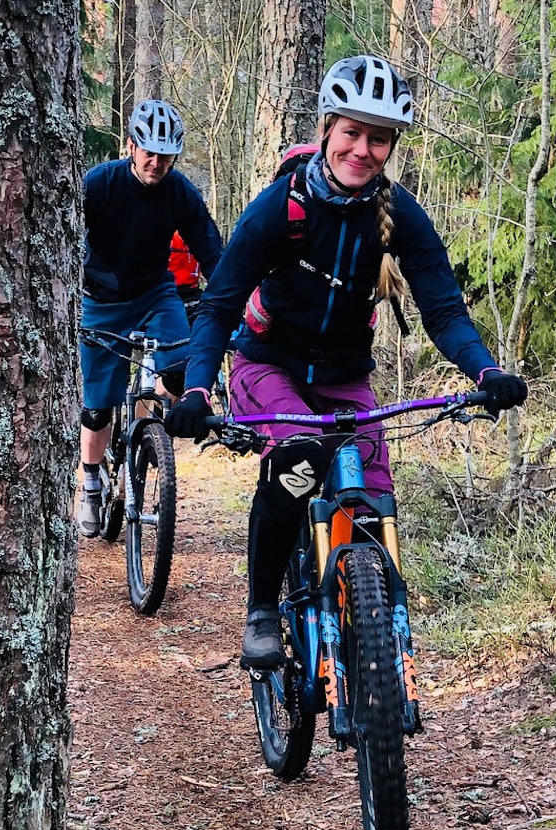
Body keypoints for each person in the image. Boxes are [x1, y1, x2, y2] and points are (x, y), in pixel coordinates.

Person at [164, 55, 527, 668]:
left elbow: (443, 311)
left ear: (391, 146)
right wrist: (198, 390)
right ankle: (260, 611)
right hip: (267, 365)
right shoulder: (282, 207)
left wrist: (486, 371)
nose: (362, 149)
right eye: (352, 132)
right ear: (329, 128)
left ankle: (376, 644)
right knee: (298, 462)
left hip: (345, 377)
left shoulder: (400, 216)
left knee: (371, 496)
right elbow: (221, 302)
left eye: (378, 138)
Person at [78, 99, 223, 538]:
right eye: (149, 152)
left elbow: (211, 250)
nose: (156, 162)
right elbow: (61, 233)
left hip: (155, 292)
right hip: (100, 297)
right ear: (131, 146)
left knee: (181, 366)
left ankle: (149, 424)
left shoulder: (179, 191)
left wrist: (228, 301)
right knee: (97, 406)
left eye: (165, 154)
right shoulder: (99, 184)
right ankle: (90, 483)